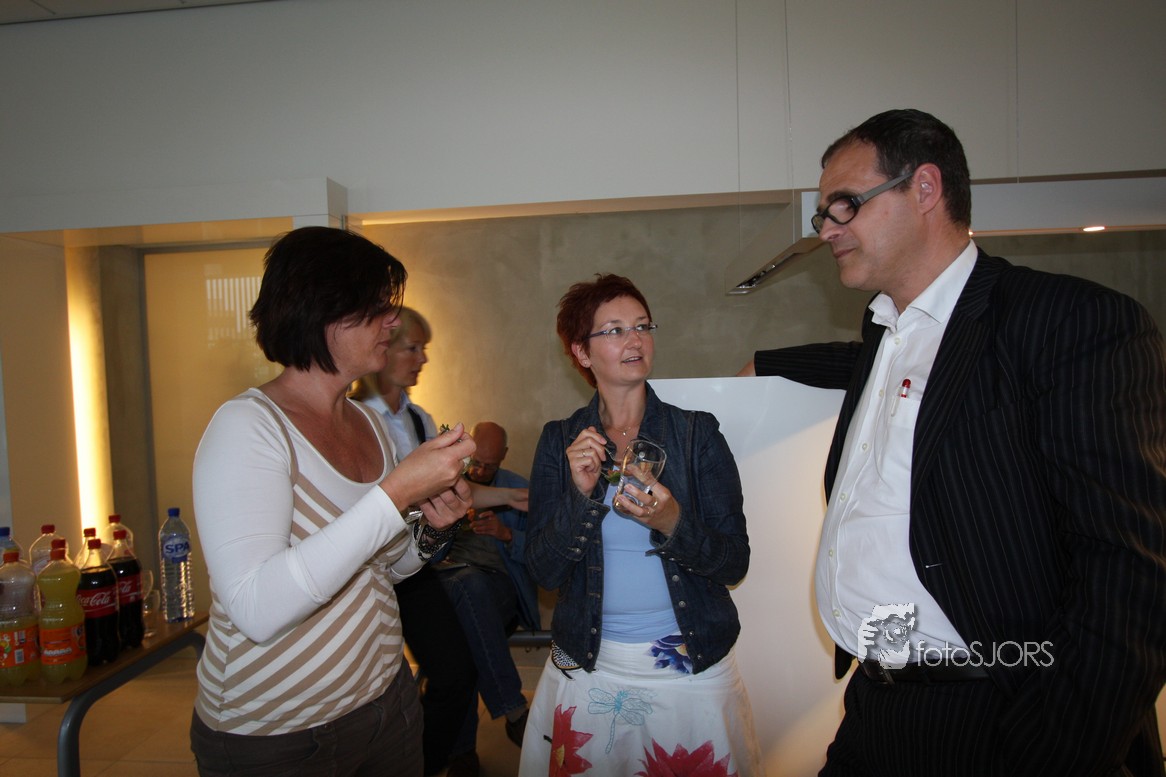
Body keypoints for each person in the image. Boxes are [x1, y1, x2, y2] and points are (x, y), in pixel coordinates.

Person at [741, 109, 1166, 776]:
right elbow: (876, 367)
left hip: (1000, 713)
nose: (827, 230)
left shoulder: (1072, 322)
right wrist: (766, 363)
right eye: (824, 214)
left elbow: (1131, 569)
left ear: (924, 188)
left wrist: (1057, 749)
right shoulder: (885, 333)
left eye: (844, 205)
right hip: (875, 708)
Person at [189, 226, 476, 777]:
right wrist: (396, 493)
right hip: (280, 734)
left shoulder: (368, 423)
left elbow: (382, 567)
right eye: (376, 307)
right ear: (320, 311)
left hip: (385, 702)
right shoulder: (248, 427)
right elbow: (257, 608)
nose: (391, 321)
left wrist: (432, 528)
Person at [519, 274, 762, 775]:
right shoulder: (560, 440)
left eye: (642, 326)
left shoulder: (696, 434)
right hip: (588, 665)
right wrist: (582, 496)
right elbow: (542, 570)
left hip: (689, 666)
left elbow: (733, 562)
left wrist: (672, 521)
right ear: (581, 352)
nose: (635, 340)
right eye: (614, 330)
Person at [354, 311, 528, 777]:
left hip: (412, 567)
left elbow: (451, 490)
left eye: (423, 348)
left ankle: (429, 762)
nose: (422, 358)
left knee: (453, 671)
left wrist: (512, 496)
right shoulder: (353, 419)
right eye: (412, 348)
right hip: (365, 573)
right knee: (379, 696)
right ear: (381, 348)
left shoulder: (419, 419)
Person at [431, 421, 539, 755]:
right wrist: (448, 525)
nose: (480, 471)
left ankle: (462, 755)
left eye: (489, 466)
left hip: (497, 586)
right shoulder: (448, 483)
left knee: (470, 595)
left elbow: (543, 554)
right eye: (476, 462)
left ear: (504, 456)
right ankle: (513, 711)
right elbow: (425, 552)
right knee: (465, 604)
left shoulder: (518, 489)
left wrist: (506, 535)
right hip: (450, 583)